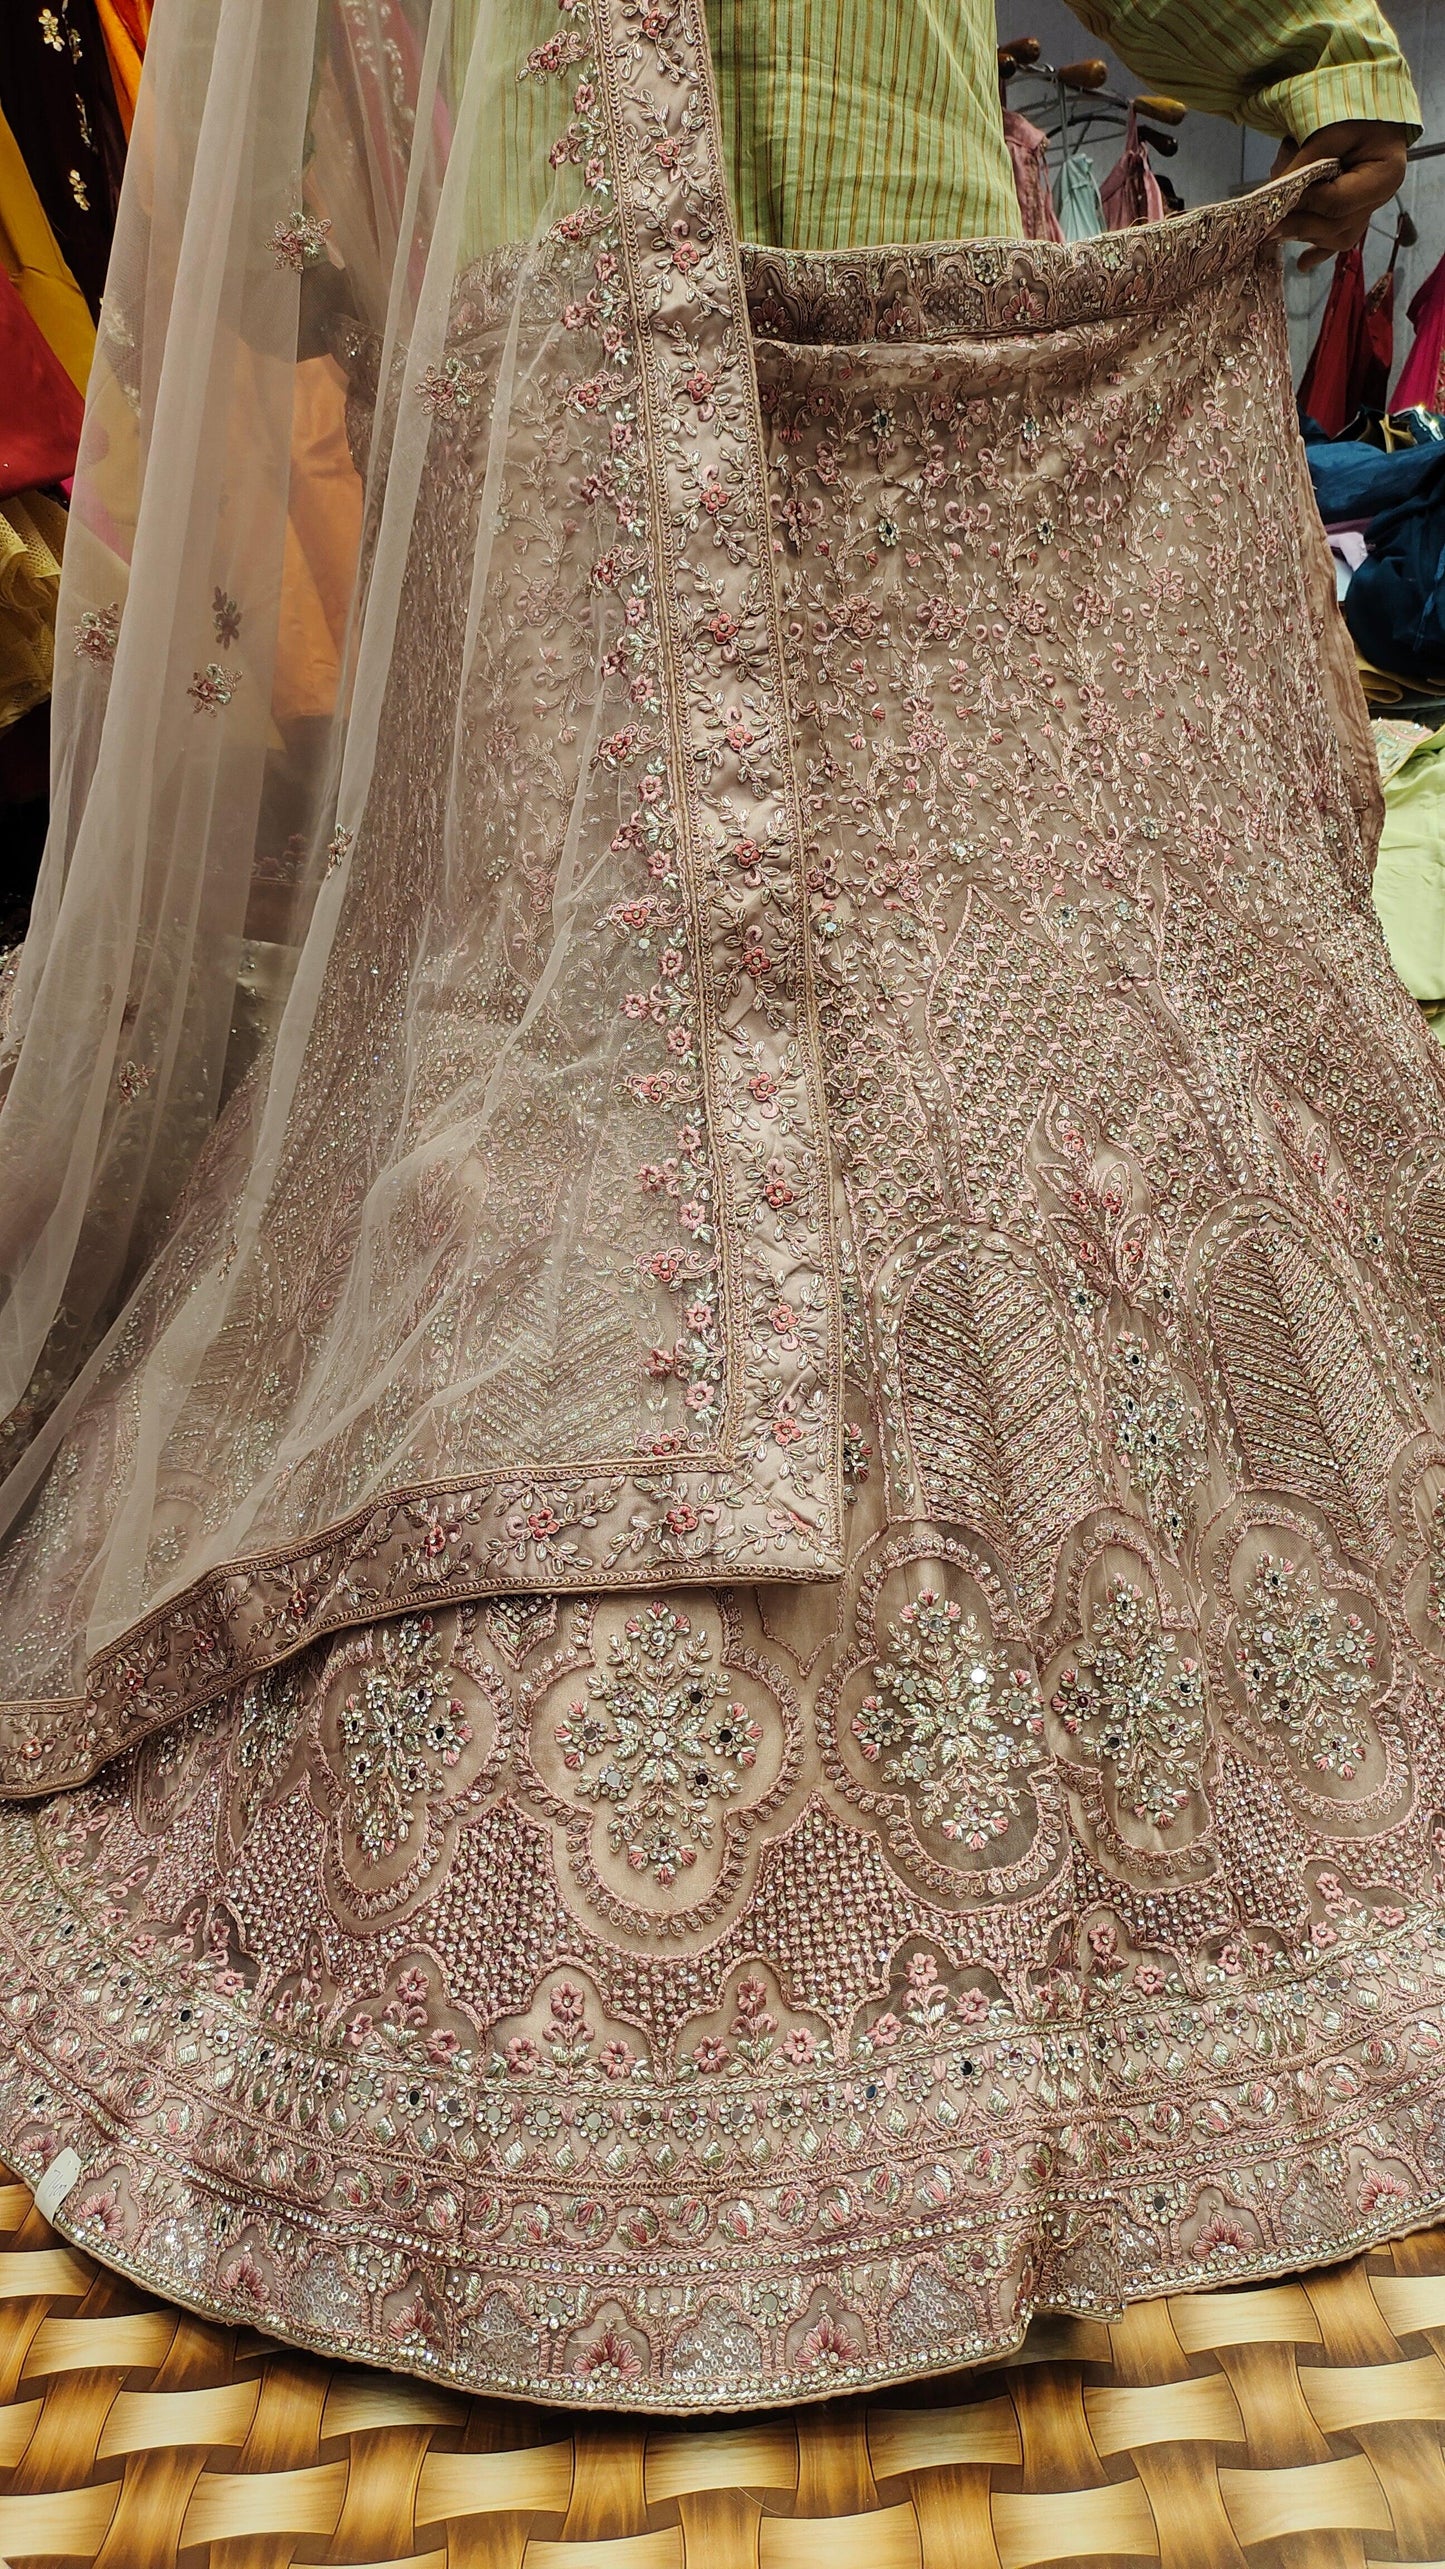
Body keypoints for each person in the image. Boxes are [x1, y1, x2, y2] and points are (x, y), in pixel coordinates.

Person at [0, 0, 1438, 2412]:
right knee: (663, 1070)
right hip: (619, 369)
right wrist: (1303, 51)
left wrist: (1302, 47)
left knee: (904, 1058)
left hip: (833, 371)